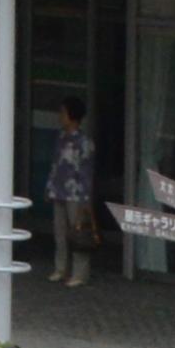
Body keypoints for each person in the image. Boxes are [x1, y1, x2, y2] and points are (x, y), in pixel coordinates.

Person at [39, 99, 100, 290]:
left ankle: (79, 273)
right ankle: (61, 268)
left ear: (72, 116)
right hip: (59, 190)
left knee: (78, 233)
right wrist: (49, 186)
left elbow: (87, 172)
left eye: (63, 113)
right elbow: (55, 164)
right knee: (60, 232)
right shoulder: (61, 137)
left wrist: (86, 198)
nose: (60, 117)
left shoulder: (84, 142)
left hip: (76, 194)